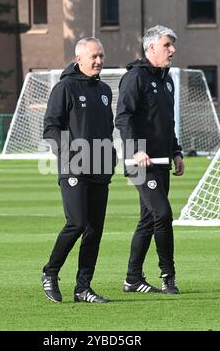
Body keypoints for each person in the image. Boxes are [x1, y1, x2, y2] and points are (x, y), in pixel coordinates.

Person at [41, 37, 117, 303]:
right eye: (94, 56)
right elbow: (50, 127)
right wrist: (67, 155)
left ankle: (83, 287)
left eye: (101, 56)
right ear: (79, 59)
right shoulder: (65, 88)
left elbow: (107, 129)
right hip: (74, 168)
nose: (98, 61)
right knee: (77, 223)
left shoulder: (106, 91)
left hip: (100, 169)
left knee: (94, 229)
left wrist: (111, 156)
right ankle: (50, 273)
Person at [115, 25, 185, 294]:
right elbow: (123, 117)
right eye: (168, 45)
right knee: (163, 214)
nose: (173, 50)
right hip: (139, 162)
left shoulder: (167, 79)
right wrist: (135, 149)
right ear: (151, 48)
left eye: (172, 45)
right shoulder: (135, 77)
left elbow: (167, 122)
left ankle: (133, 279)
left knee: (148, 219)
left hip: (161, 161)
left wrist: (176, 151)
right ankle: (169, 277)